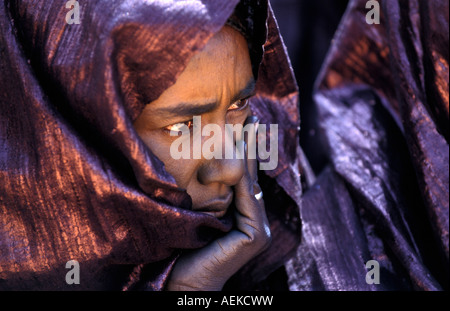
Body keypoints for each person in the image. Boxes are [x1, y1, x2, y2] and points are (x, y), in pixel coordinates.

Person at [0, 0, 302, 290]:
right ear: (81, 136)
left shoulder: (300, 252)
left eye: (238, 104)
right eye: (179, 127)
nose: (233, 168)